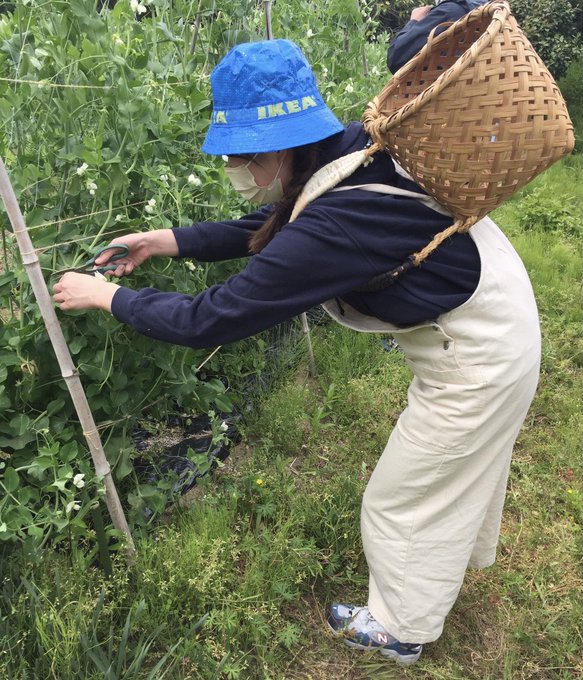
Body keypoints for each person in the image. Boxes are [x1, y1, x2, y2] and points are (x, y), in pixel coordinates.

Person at [53, 38, 541, 665]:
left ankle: (400, 631)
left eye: (238, 157)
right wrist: (166, 239)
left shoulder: (338, 224)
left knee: (405, 497)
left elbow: (211, 318)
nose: (233, 169)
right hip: (492, 312)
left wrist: (107, 297)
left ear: (275, 150)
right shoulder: (351, 148)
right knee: (453, 472)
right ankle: (439, 575)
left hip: (480, 355)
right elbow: (283, 225)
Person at [387, 0, 490, 74]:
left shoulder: (450, 12)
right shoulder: (491, 13)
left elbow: (396, 58)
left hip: (442, 95)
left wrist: (414, 20)